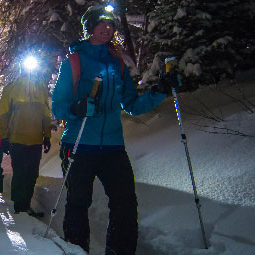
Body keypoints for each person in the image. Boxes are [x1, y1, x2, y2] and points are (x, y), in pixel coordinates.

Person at [51, 5, 173, 255]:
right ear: (90, 28)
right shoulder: (74, 61)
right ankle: (76, 251)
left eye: (111, 25)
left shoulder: (118, 63)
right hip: (78, 144)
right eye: (101, 24)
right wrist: (78, 107)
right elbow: (59, 105)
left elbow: (131, 105)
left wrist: (160, 91)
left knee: (125, 204)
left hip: (113, 147)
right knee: (77, 204)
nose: (107, 28)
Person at [0, 56, 52, 216]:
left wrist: (47, 136)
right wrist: (4, 138)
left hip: (35, 140)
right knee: (20, 173)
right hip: (17, 139)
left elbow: (46, 114)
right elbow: (4, 115)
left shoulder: (40, 88)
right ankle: (17, 207)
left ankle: (25, 206)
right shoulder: (11, 88)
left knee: (32, 174)